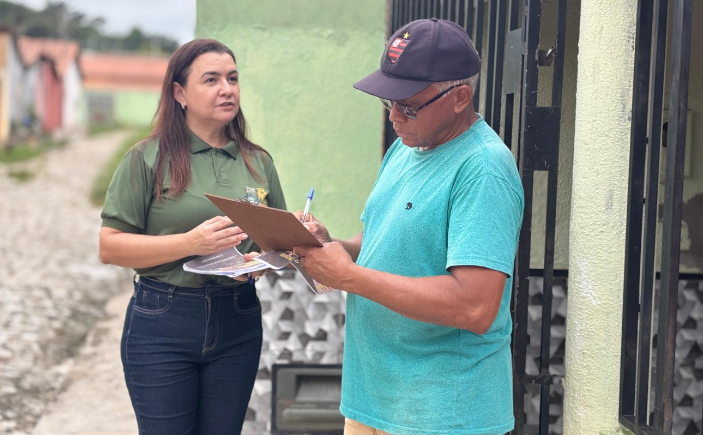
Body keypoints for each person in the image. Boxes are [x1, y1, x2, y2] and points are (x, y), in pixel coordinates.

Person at [293, 19, 524, 435]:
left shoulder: (484, 168)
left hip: (441, 414)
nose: (395, 116)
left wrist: (349, 277)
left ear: (460, 97)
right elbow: (383, 241)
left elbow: (475, 306)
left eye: (409, 105)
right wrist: (332, 245)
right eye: (388, 101)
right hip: (374, 399)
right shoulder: (406, 148)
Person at [98, 39, 286, 435]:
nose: (226, 89)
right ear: (180, 93)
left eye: (232, 78)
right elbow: (110, 246)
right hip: (162, 321)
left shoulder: (258, 161)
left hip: (238, 320)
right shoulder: (147, 157)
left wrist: (260, 262)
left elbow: (275, 243)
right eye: (211, 80)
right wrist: (190, 244)